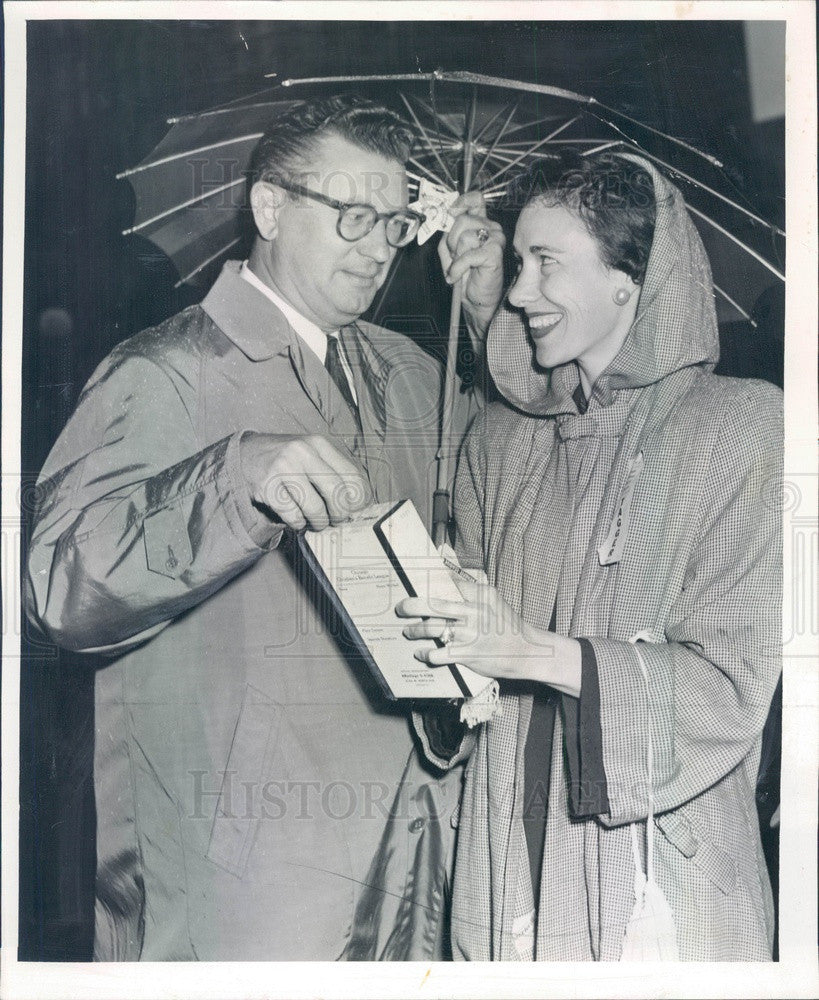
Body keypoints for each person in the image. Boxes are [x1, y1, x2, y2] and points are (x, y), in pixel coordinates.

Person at [25, 94, 505, 961]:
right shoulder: (163, 372)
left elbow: (522, 487)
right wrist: (234, 476)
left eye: (395, 225)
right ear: (270, 208)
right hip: (242, 877)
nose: (376, 251)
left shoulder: (406, 375)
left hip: (408, 844)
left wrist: (489, 319)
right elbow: (61, 590)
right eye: (353, 217)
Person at [397, 151, 782, 961]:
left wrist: (531, 650)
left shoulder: (743, 429)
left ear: (628, 281)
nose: (515, 293)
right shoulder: (496, 442)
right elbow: (458, 702)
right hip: (504, 854)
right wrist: (426, 616)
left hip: (655, 873)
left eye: (545, 264)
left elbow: (728, 690)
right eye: (515, 262)